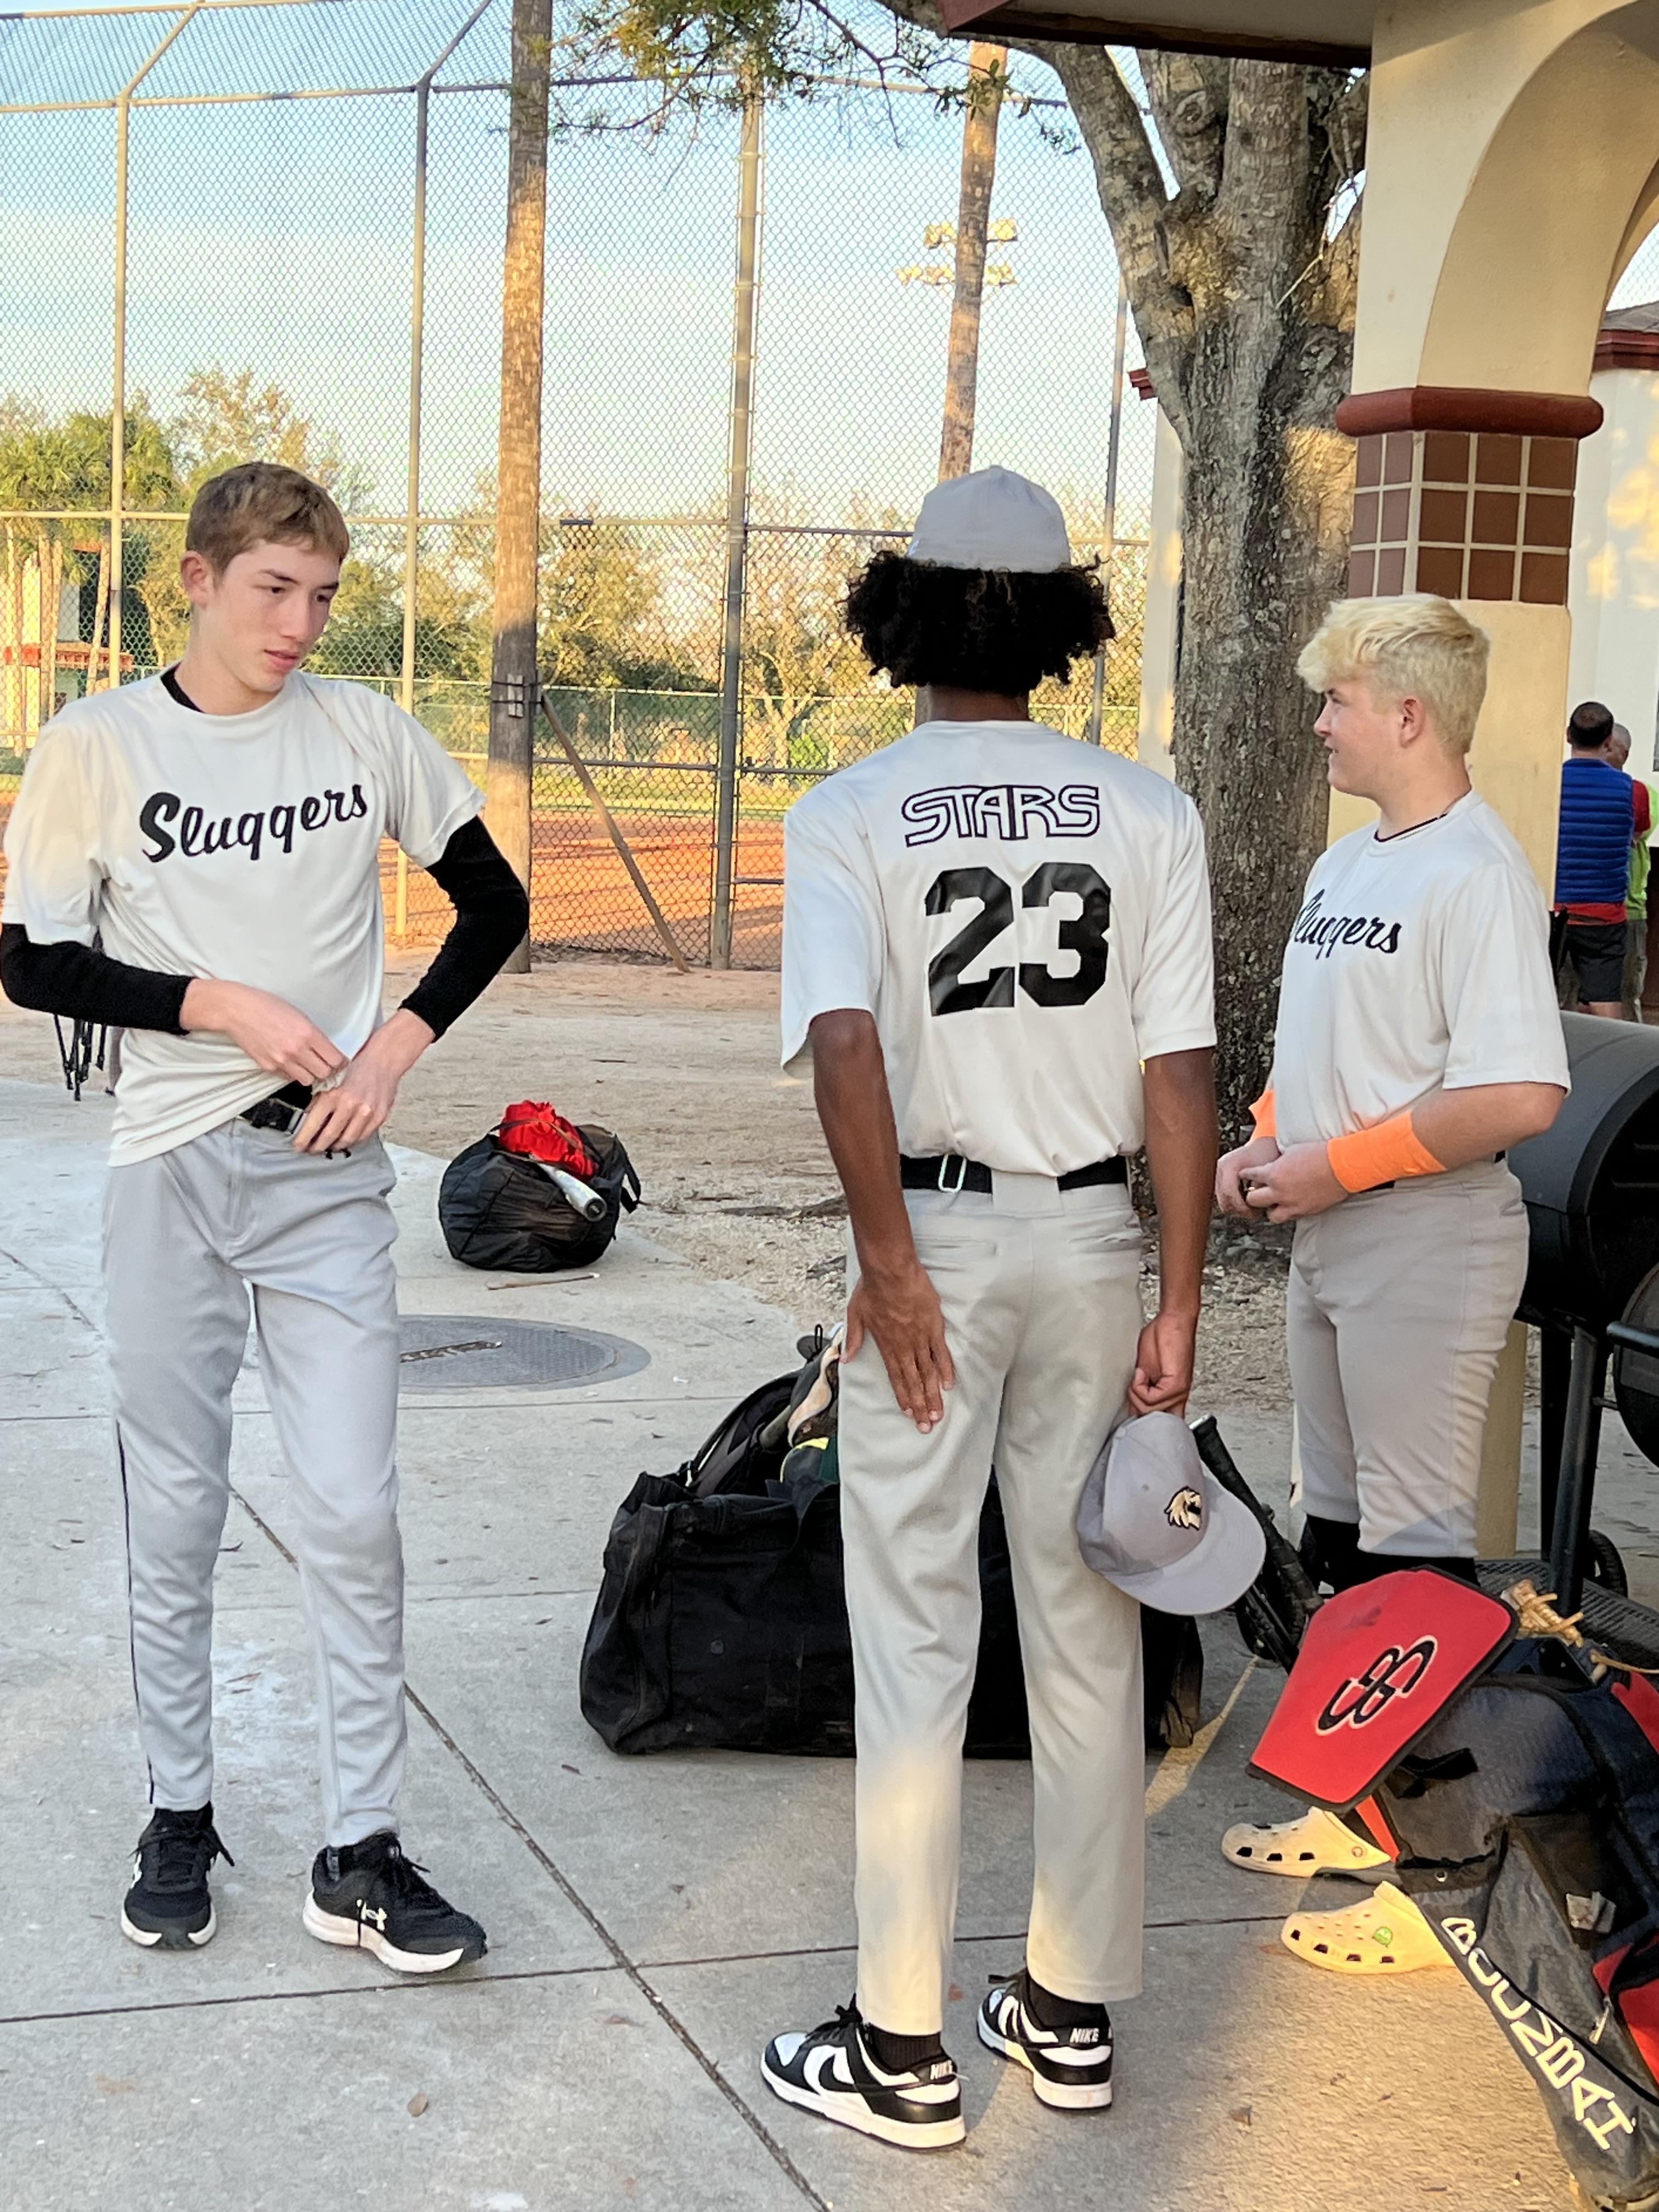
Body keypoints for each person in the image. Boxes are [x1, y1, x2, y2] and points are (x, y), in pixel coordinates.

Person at [0, 462, 528, 1969]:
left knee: (353, 1511)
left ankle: (361, 1850)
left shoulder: (364, 731)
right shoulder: (98, 743)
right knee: (174, 1512)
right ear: (198, 581)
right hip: (167, 1168)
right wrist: (211, 1001)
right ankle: (180, 1811)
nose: (299, 622)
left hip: (324, 1182)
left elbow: (493, 904)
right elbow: (32, 965)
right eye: (271, 589)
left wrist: (396, 1048)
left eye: (320, 595)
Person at [761, 466, 1217, 2148]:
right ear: (1051, 627)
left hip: (935, 1245)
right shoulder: (1146, 811)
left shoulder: (853, 808)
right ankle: (1073, 2013)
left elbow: (853, 1048)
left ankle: (902, 2049)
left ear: (910, 612)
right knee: (1092, 1628)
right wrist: (1181, 1298)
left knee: (918, 1639)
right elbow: (1182, 1073)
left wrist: (887, 1270)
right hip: (1099, 1241)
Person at [1216, 595, 1568, 1973]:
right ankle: (1362, 1809)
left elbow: (1520, 1093)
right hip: (1336, 1227)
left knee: (1422, 1570)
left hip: (1423, 1237)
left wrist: (1335, 1170)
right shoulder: (1348, 865)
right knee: (1349, 1551)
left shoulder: (1476, 872)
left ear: (1409, 715)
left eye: (1339, 702)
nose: (1320, 724)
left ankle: (1441, 1863)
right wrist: (1263, 1138)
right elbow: (1322, 1051)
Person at [1551, 699, 1649, 1019]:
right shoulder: (1633, 791)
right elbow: (1637, 831)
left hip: (1554, 909)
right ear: (1609, 741)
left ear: (1568, 735)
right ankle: (1614, 1067)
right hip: (1605, 915)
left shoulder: (1550, 785)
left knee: (1544, 1001)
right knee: (1607, 1003)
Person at [1606, 722, 1653, 1021]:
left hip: (1630, 908)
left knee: (1627, 994)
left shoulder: (1641, 793)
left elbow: (1639, 831)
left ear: (1623, 753)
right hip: (1588, 908)